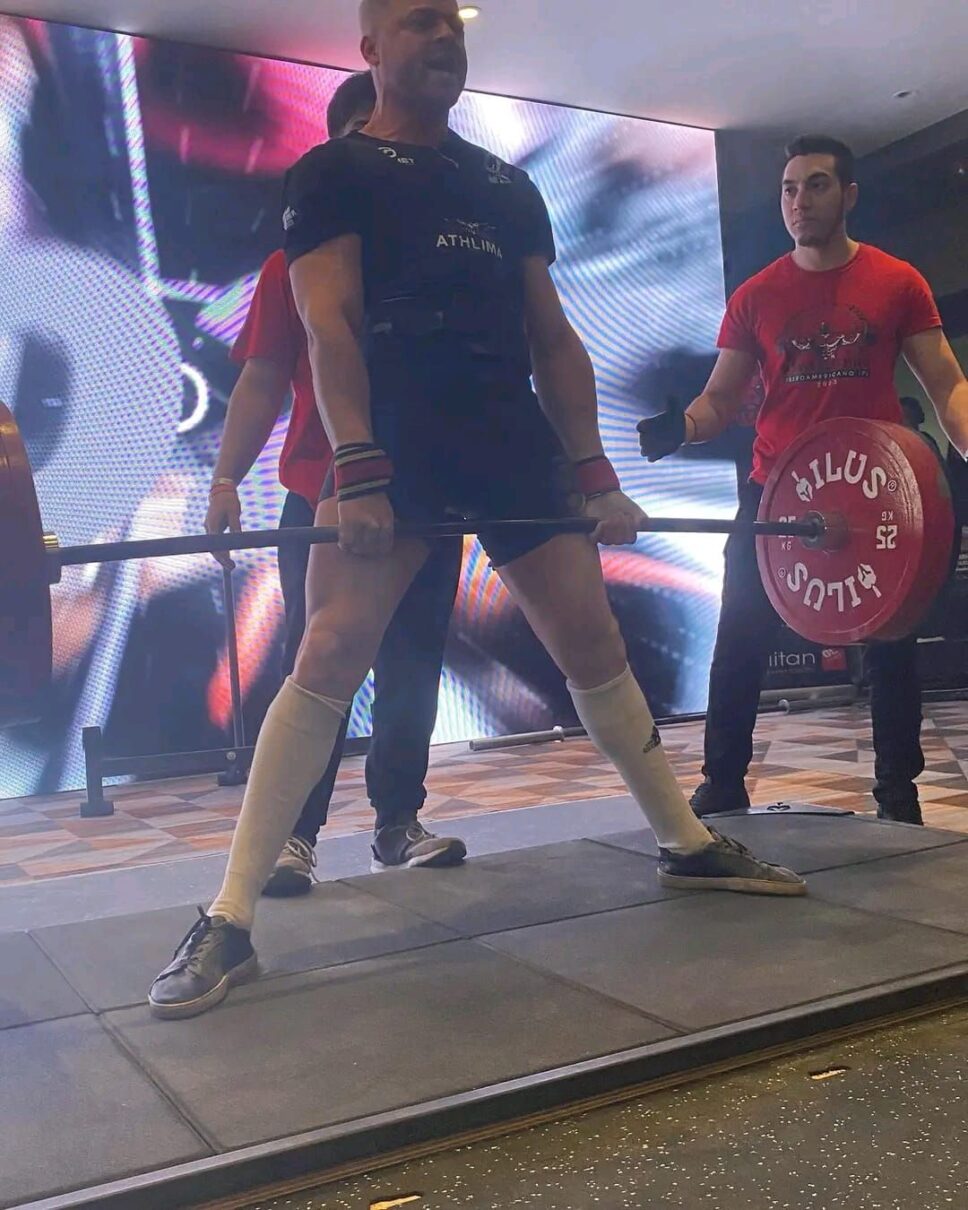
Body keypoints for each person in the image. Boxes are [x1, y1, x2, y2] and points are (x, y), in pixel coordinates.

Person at [148, 0, 804, 1022]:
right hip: (396, 441)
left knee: (593, 644)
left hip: (507, 440)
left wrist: (594, 473)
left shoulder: (503, 186)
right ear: (372, 49)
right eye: (419, 23)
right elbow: (327, 326)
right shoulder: (332, 174)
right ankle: (228, 918)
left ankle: (683, 843)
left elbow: (554, 339)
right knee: (330, 651)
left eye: (451, 22)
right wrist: (357, 463)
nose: (444, 37)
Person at [639, 134, 968, 827]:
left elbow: (945, 386)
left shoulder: (897, 281)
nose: (799, 201)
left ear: (848, 195)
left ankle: (897, 794)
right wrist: (683, 428)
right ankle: (722, 784)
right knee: (740, 634)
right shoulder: (756, 295)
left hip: (874, 491)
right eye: (789, 189)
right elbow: (719, 401)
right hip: (778, 493)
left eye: (816, 185)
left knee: (891, 640)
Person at [206, 70, 466, 892]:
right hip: (321, 494)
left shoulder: (449, 262)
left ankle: (397, 822)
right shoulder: (294, 261)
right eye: (366, 139)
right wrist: (224, 479)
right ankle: (293, 835)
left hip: (428, 490)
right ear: (338, 149)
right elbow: (260, 379)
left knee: (415, 657)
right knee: (316, 661)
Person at [900, 395, 944, 461]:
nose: (921, 411)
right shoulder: (907, 439)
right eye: (915, 407)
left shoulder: (926, 437)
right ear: (906, 411)